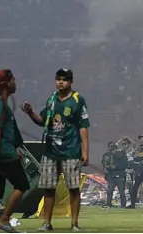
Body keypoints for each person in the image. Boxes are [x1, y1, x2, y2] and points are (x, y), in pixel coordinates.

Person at [21, 68, 90, 231]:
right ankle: (46, 223)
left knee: (73, 188)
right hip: (50, 152)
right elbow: (42, 120)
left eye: (64, 79)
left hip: (71, 151)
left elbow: (83, 127)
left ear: (71, 82)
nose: (60, 82)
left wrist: (85, 152)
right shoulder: (52, 99)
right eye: (58, 79)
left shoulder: (78, 100)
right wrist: (31, 113)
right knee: (48, 188)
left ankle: (74, 224)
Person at [0, 69, 29, 233]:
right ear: (6, 83)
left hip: (0, 152)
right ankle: (4, 219)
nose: (15, 83)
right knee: (22, 184)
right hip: (4, 153)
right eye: (13, 80)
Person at [102, 142, 127, 208]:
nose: (112, 151)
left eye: (113, 149)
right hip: (111, 175)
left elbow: (125, 164)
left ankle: (123, 205)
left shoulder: (122, 154)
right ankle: (108, 204)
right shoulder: (107, 156)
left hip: (120, 175)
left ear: (116, 149)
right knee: (110, 190)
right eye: (111, 149)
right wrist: (108, 168)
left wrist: (116, 166)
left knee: (121, 191)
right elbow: (105, 165)